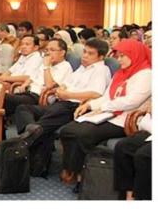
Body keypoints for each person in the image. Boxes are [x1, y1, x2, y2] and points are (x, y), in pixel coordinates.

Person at [59, 39, 151, 188]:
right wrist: (89, 105)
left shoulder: (146, 74)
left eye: (123, 56)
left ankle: (84, 174)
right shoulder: (121, 73)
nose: (119, 60)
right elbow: (107, 95)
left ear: (135, 55)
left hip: (125, 119)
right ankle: (74, 169)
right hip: (108, 113)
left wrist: (103, 107)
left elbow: (132, 101)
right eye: (118, 56)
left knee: (83, 134)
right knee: (69, 130)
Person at [13, 38, 110, 178]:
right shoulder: (83, 68)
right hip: (61, 103)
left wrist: (67, 94)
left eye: (90, 54)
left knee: (43, 123)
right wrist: (62, 90)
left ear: (100, 57)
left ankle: (23, 145)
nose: (85, 56)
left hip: (75, 106)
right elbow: (66, 83)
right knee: (24, 109)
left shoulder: (101, 70)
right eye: (84, 52)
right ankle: (30, 138)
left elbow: (96, 94)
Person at [113, 102, 151, 200]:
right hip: (150, 130)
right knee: (123, 147)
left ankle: (141, 198)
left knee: (143, 156)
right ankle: (128, 195)